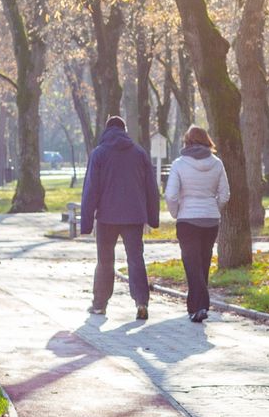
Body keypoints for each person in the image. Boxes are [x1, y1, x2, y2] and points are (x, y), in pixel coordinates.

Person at [79, 115, 160, 320]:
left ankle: (99, 305)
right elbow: (151, 188)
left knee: (105, 261)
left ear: (106, 130)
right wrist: (153, 217)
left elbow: (91, 190)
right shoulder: (139, 153)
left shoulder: (99, 154)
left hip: (107, 217)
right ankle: (141, 302)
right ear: (124, 130)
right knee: (135, 259)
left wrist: (87, 222)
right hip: (134, 216)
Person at [164, 125, 230, 322]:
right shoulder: (217, 164)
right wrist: (213, 208)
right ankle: (196, 307)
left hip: (188, 221)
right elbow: (225, 194)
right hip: (210, 220)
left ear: (187, 141)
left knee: (192, 264)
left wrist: (177, 213)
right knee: (203, 263)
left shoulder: (179, 164)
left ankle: (200, 305)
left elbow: (171, 195)